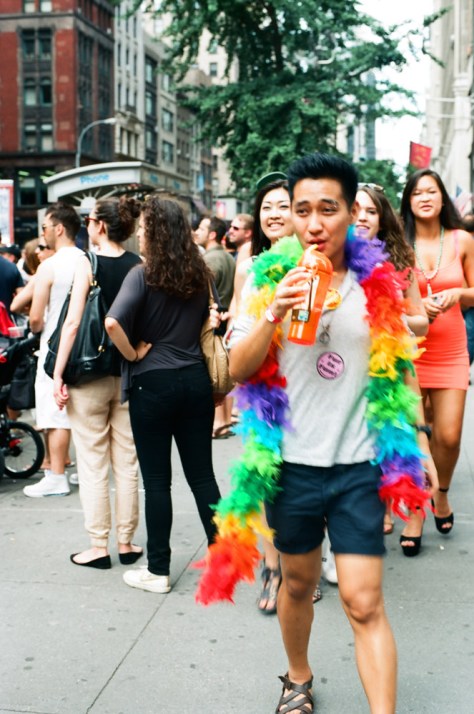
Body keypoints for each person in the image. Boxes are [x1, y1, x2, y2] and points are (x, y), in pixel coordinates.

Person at [222, 153, 434, 713]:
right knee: (297, 585)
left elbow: (396, 375)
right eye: (302, 210)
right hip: (291, 466)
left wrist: (420, 447)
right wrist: (273, 313)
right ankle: (297, 675)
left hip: (360, 467)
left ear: (352, 212)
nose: (315, 224)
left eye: (328, 209)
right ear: (290, 215)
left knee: (365, 603)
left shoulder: (378, 284)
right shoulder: (267, 278)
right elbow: (237, 370)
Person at [105, 196, 222, 594]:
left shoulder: (142, 274)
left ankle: (157, 571)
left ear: (155, 232)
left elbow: (112, 324)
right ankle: (223, 561)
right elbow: (213, 320)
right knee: (202, 475)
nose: (139, 233)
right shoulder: (200, 273)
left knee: (157, 481)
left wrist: (135, 353)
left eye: (143, 228)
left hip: (152, 383)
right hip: (194, 380)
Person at [52, 197, 143, 569]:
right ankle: (126, 542)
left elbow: (73, 324)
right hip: (127, 374)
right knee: (127, 461)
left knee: (91, 462)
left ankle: (98, 546)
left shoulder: (85, 264)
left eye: (90, 220)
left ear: (100, 225)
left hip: (87, 376)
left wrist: (58, 373)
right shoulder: (139, 265)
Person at [400, 169, 474, 552]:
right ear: (408, 201)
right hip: (410, 351)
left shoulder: (463, 239)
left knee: (448, 435)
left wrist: (457, 295)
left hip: (451, 349)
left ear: (443, 198)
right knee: (418, 433)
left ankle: (440, 492)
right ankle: (415, 508)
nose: (425, 197)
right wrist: (413, 309)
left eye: (432, 191)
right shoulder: (398, 242)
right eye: (417, 192)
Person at [355, 184, 430, 540]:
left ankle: (410, 511)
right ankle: (376, 506)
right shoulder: (337, 258)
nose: (362, 218)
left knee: (396, 440)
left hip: (390, 368)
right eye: (355, 210)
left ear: (382, 218)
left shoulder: (400, 260)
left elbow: (422, 324)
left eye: (370, 211)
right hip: (349, 370)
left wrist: (392, 313)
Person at [23, 202, 83, 498]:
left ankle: (56, 475)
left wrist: (38, 328)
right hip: (85, 347)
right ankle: (78, 471)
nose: (43, 233)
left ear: (59, 228)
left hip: (54, 347)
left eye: (45, 227)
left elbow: (35, 318)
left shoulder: (50, 265)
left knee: (53, 413)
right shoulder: (87, 259)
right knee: (80, 412)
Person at [203, 217, 236, 439]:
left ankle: (218, 422)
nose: (197, 232)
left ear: (212, 234)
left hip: (216, 316)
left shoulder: (211, 260)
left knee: (215, 369)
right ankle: (222, 421)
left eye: (201, 228)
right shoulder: (228, 257)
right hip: (226, 315)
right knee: (223, 368)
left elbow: (205, 292)